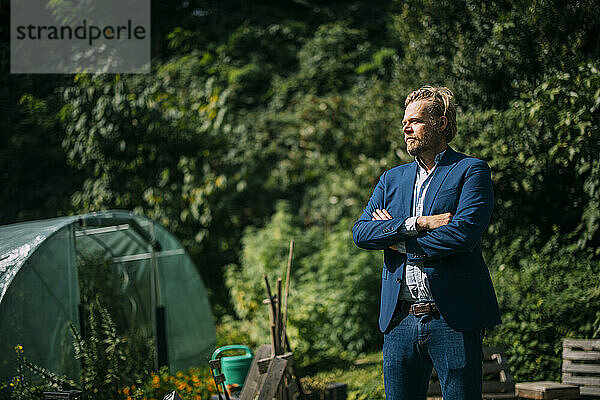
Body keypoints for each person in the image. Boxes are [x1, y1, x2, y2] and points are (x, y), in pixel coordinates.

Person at [352, 86, 501, 399]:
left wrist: (396, 240)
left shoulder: (470, 171)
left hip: (453, 318)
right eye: (405, 122)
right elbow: (362, 233)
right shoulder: (391, 179)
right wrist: (415, 224)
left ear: (441, 124)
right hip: (399, 320)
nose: (406, 127)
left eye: (416, 121)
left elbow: (463, 235)